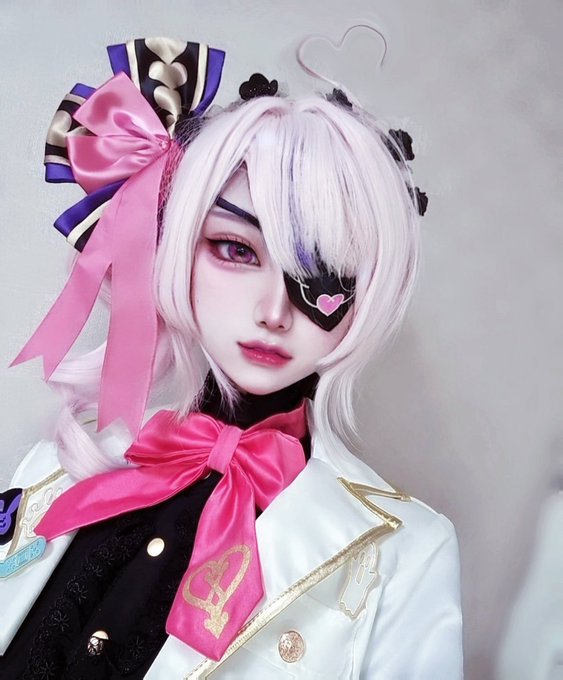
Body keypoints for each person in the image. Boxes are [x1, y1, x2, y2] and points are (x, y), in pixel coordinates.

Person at [0, 37, 463, 679]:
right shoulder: (58, 462)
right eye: (237, 249)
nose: (274, 311)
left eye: (323, 276)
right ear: (181, 242)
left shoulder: (406, 555)